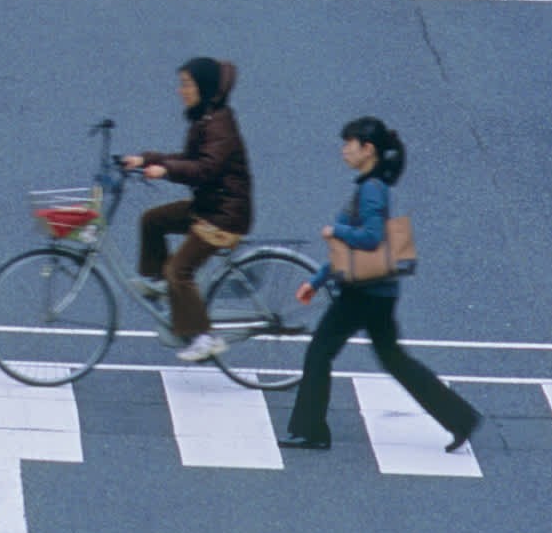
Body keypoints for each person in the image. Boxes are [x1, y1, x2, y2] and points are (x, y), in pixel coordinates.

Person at [280, 118, 480, 455]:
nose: (344, 150)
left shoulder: (371, 190)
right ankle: (460, 418)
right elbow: (351, 255)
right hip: (378, 293)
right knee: (394, 360)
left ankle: (311, 430)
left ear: (367, 149)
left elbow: (370, 239)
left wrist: (335, 232)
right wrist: (316, 281)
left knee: (319, 353)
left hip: (363, 294)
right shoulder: (371, 186)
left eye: (349, 144)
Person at [122, 57, 252, 363]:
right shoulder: (206, 117)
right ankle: (160, 284)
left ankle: (204, 337)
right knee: (153, 220)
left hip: (224, 216)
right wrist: (146, 159)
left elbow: (205, 168)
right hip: (209, 205)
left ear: (203, 87)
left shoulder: (219, 123)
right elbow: (188, 157)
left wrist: (165, 171)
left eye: (187, 84)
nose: (181, 90)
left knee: (179, 269)